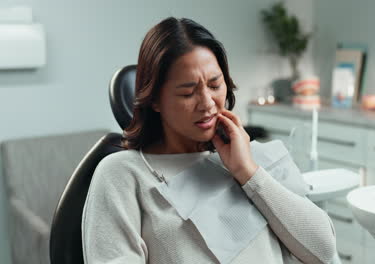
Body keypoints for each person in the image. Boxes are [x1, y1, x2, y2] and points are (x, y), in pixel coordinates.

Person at [82, 17, 336, 264]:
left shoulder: (252, 157)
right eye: (187, 92)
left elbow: (323, 252)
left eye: (215, 85)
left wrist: (247, 172)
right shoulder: (123, 174)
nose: (206, 103)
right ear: (155, 100)